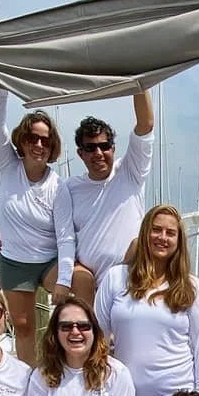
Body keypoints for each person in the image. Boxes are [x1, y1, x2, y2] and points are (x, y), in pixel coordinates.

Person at [95, 204, 199, 396]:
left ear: (179, 241)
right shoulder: (116, 278)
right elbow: (97, 340)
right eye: (156, 230)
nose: (162, 237)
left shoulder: (192, 287)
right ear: (145, 233)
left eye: (170, 233)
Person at [0, 90, 67, 366]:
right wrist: (0, 89)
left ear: (52, 145)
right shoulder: (8, 166)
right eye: (33, 137)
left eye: (45, 140)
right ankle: (29, 380)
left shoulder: (59, 186)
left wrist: (65, 278)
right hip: (14, 263)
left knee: (81, 285)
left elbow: (67, 237)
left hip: (49, 262)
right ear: (22, 140)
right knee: (23, 327)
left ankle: (76, 363)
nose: (38, 144)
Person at [54, 91, 154, 305]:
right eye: (90, 148)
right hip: (88, 291)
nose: (98, 153)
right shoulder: (69, 188)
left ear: (113, 148)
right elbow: (50, 228)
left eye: (104, 146)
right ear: (80, 154)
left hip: (130, 285)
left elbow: (145, 124)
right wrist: (4, 235)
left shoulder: (130, 171)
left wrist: (139, 82)